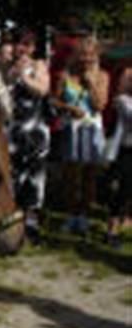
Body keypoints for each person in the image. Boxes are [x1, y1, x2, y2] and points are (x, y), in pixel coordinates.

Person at [53, 36, 110, 234]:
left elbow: (100, 105)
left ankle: (84, 216)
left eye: (90, 55)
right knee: (71, 175)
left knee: (89, 175)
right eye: (83, 54)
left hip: (92, 129)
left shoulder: (102, 76)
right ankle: (71, 215)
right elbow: (55, 101)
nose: (86, 59)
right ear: (77, 55)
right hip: (71, 129)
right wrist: (68, 107)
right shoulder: (65, 75)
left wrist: (91, 83)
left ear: (96, 56)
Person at [7, 29, 51, 242]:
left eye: (28, 44)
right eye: (20, 43)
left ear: (34, 48)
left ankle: (32, 223)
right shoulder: (7, 68)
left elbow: (42, 90)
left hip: (35, 129)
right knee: (14, 174)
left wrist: (24, 77)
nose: (23, 48)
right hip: (13, 129)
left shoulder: (39, 65)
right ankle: (14, 225)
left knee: (34, 175)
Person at [104, 68, 132, 248]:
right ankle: (112, 230)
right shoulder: (122, 100)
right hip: (125, 150)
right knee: (120, 191)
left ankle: (126, 221)